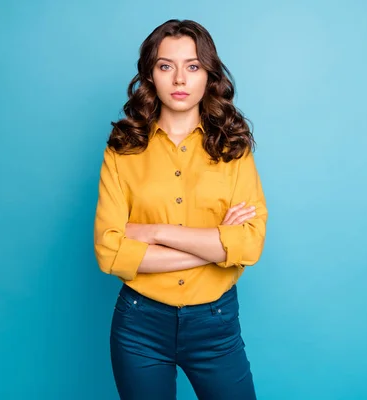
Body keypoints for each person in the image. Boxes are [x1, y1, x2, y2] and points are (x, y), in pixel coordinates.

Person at [93, 19, 267, 400]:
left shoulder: (234, 147)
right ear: (150, 75)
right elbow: (109, 253)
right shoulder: (122, 148)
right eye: (165, 65)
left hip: (215, 324)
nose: (179, 80)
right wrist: (217, 247)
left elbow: (250, 245)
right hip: (139, 325)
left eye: (192, 66)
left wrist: (152, 233)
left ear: (209, 75)